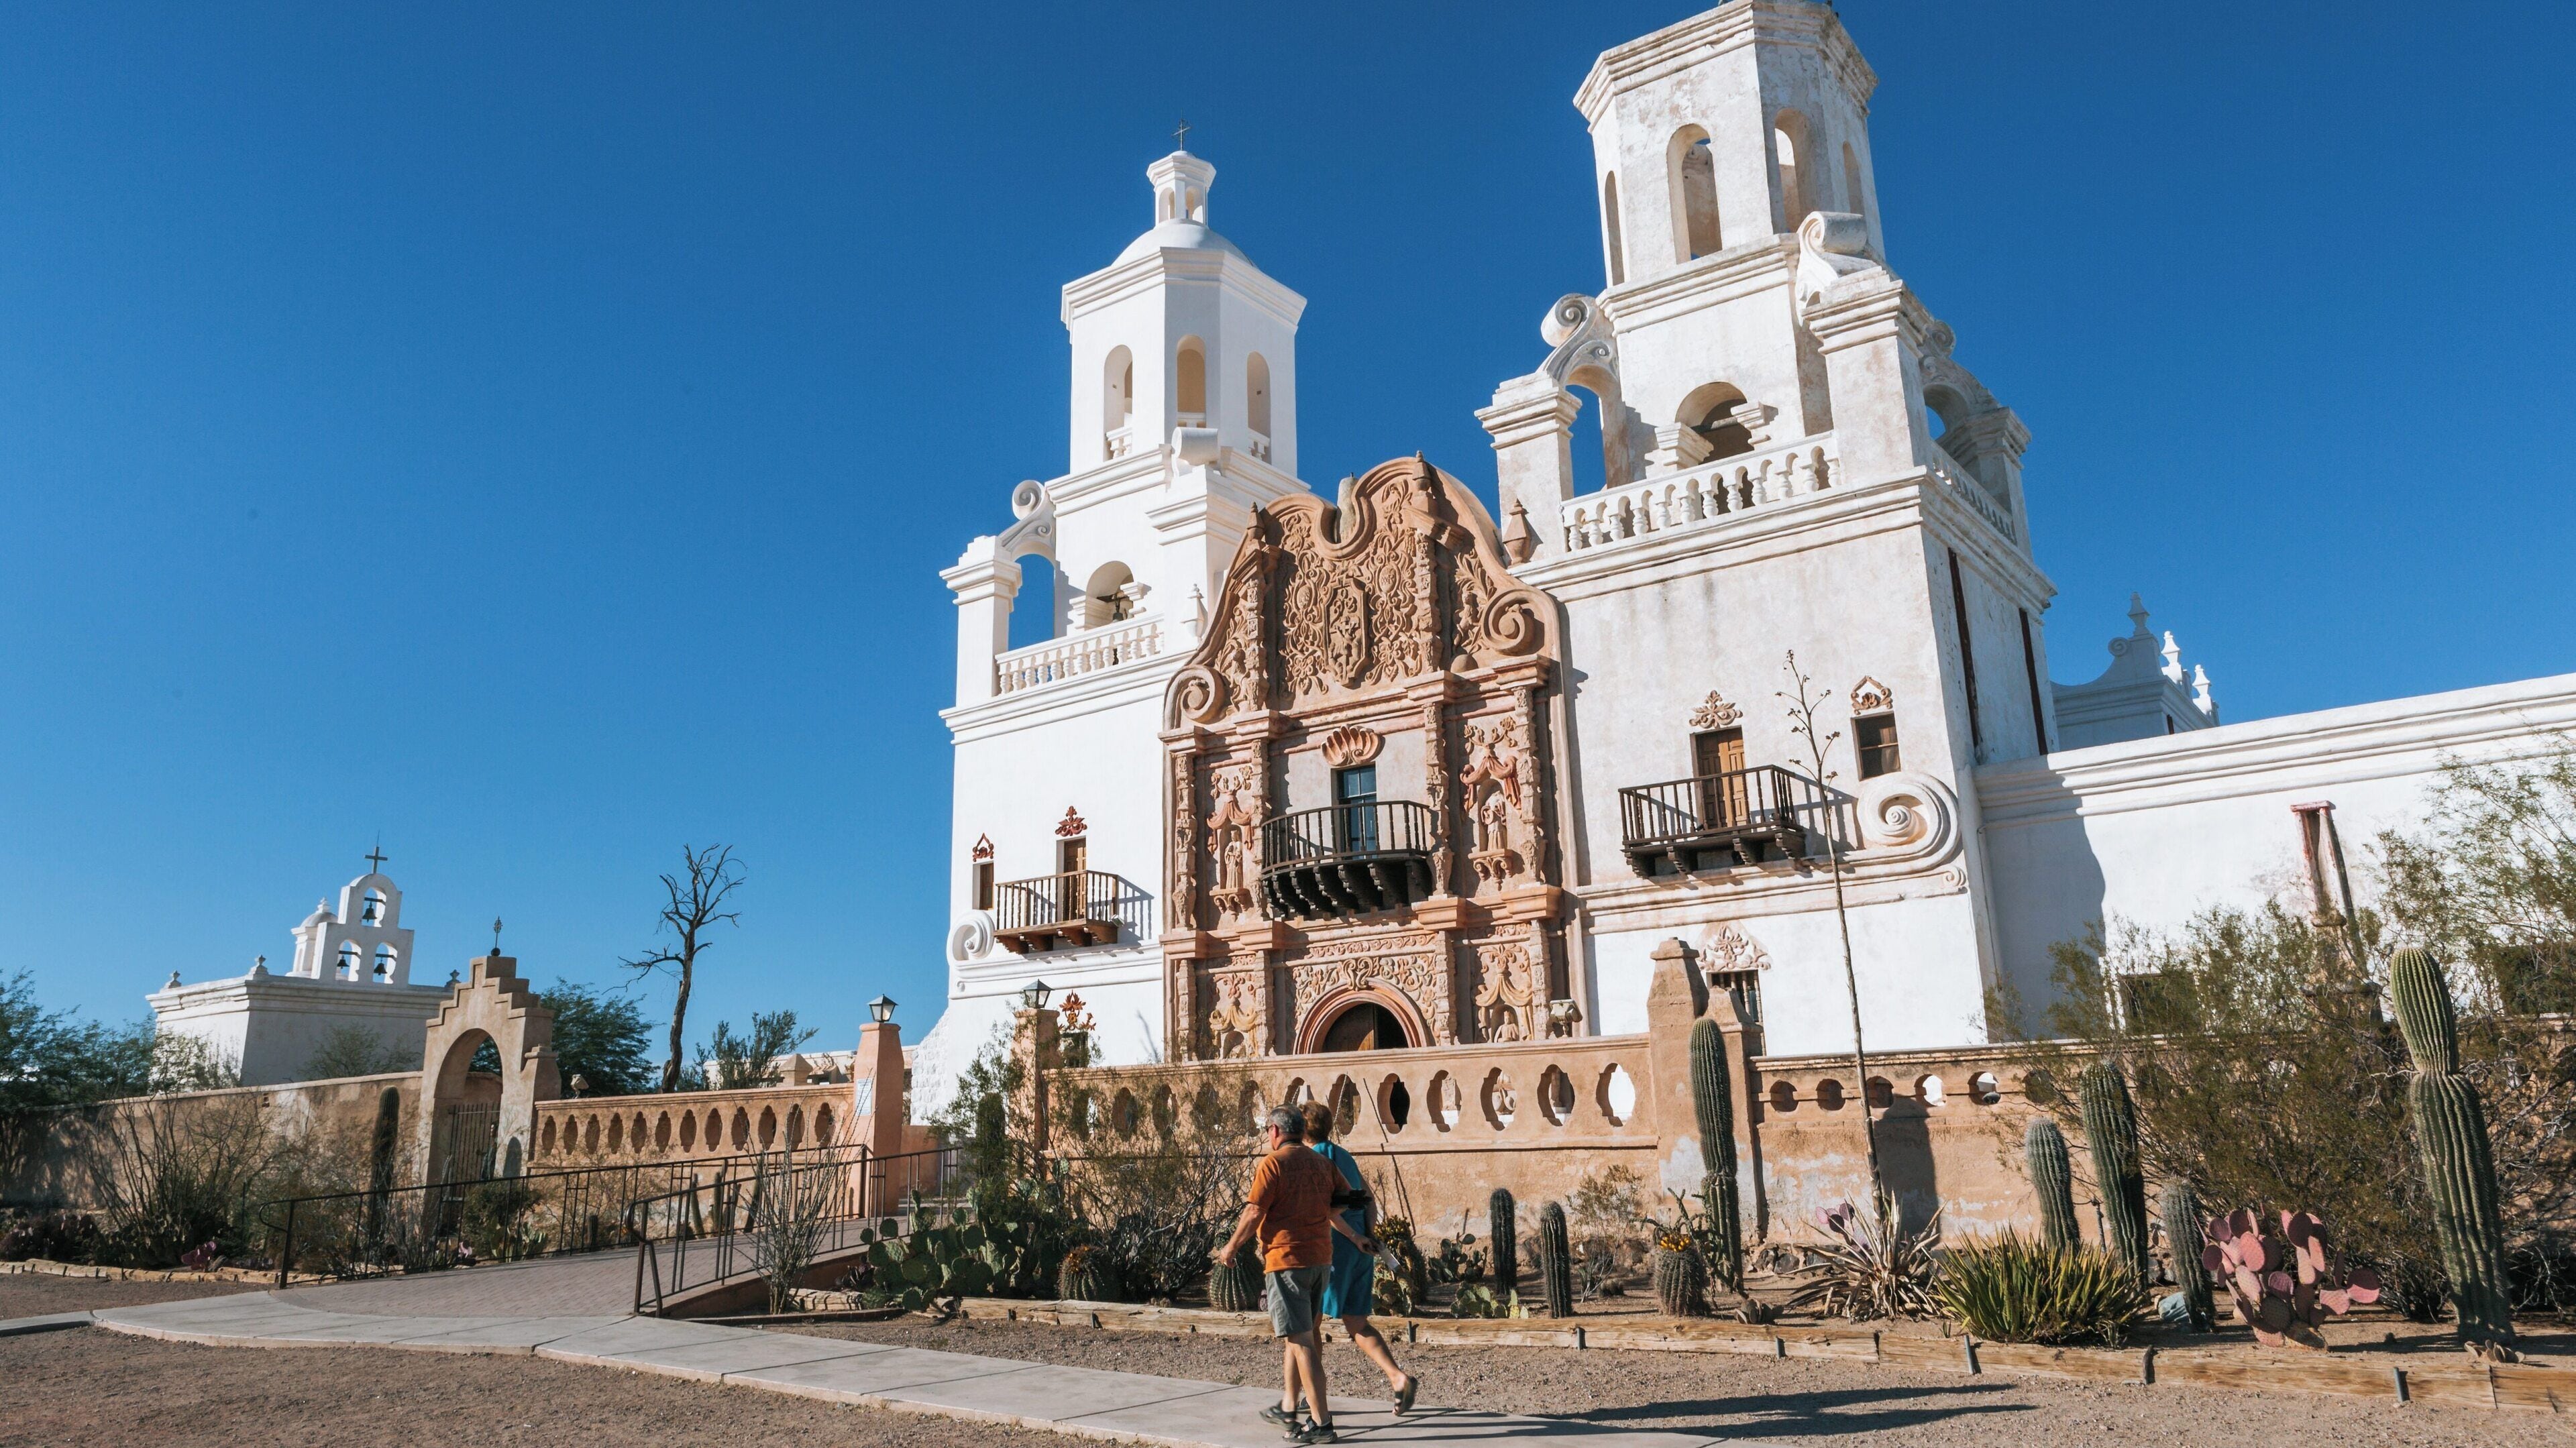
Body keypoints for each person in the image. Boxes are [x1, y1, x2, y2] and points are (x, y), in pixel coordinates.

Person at [1215, 1105, 1340, 1443]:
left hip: (1287, 1262)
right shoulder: (1322, 1163)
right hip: (1320, 1260)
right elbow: (1343, 1201)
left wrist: (1230, 1249)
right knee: (1304, 1339)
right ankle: (1293, 1407)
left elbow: (1255, 1210)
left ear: (1274, 1131)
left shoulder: (1273, 1164)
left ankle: (1322, 1424)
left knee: (1301, 1343)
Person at [1302, 1099, 1418, 1414]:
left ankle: (1314, 1392)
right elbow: (1367, 1199)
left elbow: (1328, 1210)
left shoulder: (1313, 1158)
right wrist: (1367, 1236)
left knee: (1309, 1322)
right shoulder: (1344, 1156)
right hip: (1361, 1247)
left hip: (1336, 1247)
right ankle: (1398, 1378)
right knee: (1355, 1321)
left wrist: (1353, 1238)